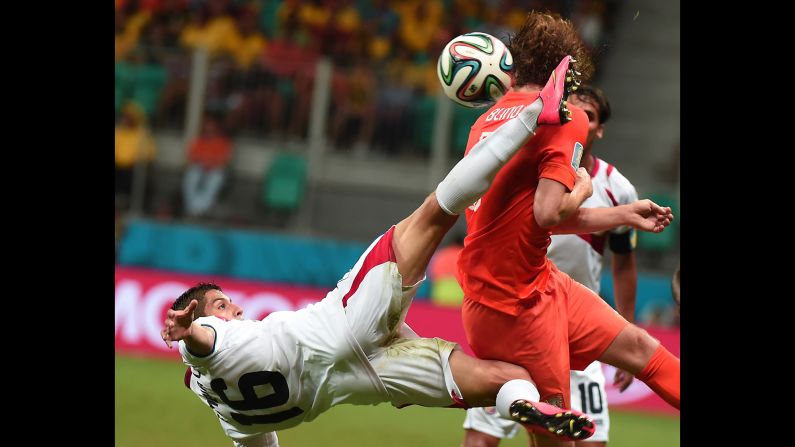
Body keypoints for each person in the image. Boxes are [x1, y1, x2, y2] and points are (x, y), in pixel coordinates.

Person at [162, 58, 673, 447]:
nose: (234, 309)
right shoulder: (211, 340)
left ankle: (525, 405)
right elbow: (206, 341)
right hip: (343, 325)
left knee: (512, 381)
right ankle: (530, 116)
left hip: (357, 378)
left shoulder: (228, 412)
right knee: (437, 209)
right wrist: (191, 332)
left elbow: (258, 441)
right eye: (223, 304)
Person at [456, 11, 680, 446]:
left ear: (516, 65)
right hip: (515, 310)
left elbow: (530, 222)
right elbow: (548, 213)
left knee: (639, 348)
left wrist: (624, 214)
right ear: (567, 66)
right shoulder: (565, 117)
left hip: (535, 286)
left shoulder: (485, 123)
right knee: (558, 441)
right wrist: (582, 187)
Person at [462, 86, 639, 447]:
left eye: (587, 114)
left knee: (589, 442)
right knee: (480, 440)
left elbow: (623, 267)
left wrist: (626, 336)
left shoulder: (618, 189)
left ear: (599, 128)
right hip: (518, 318)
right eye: (570, 109)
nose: (576, 118)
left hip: (577, 332)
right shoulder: (531, 168)